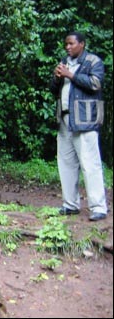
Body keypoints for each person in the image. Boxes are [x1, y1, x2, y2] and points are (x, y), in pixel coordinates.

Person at [50, 31, 107, 221]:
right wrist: (58, 78)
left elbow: (96, 83)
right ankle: (70, 204)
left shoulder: (93, 61)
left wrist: (70, 75)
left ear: (81, 44)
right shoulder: (64, 61)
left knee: (90, 164)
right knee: (65, 163)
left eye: (71, 44)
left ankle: (98, 207)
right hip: (65, 120)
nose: (67, 47)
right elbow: (53, 90)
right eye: (66, 44)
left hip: (85, 121)